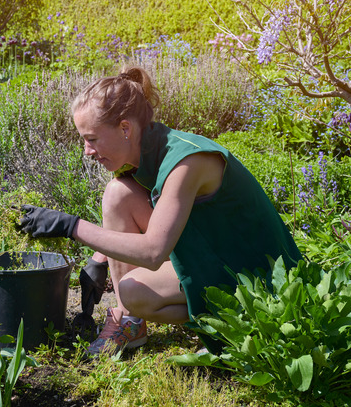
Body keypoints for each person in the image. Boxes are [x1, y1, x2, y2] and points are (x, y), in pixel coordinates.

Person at [18, 66, 302, 356]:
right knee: (118, 194)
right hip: (213, 248)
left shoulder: (185, 162)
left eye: (91, 139)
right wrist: (99, 260)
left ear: (125, 128)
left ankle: (238, 324)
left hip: (257, 272)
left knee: (132, 290)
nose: (86, 151)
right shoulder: (145, 150)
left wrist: (71, 226)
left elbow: (154, 251)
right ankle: (131, 324)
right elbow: (141, 213)